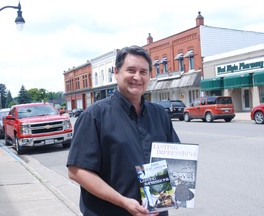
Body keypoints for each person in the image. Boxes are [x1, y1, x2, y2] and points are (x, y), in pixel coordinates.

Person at [67, 45, 180, 216]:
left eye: (143, 72)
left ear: (150, 75)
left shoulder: (159, 115)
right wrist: (123, 202)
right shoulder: (94, 116)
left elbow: (176, 160)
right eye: (131, 70)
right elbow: (77, 171)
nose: (137, 77)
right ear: (117, 72)